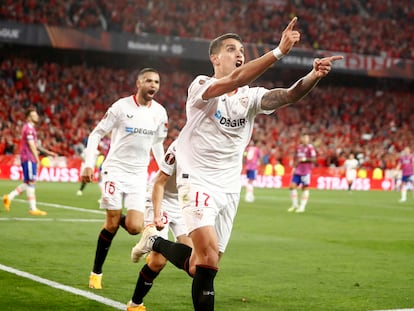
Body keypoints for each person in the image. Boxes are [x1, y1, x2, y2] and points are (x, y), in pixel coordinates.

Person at [131, 17, 343, 310]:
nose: (239, 52)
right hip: (197, 180)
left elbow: (289, 95)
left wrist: (312, 77)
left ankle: (154, 243)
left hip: (229, 187)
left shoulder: (251, 97)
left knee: (201, 265)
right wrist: (278, 52)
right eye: (231, 49)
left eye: (241, 49)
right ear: (215, 57)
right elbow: (234, 79)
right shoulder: (201, 86)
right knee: (206, 259)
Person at [81, 68, 168, 290]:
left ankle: (116, 214)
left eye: (156, 82)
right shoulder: (121, 107)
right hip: (115, 171)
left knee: (134, 227)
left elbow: (158, 144)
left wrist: (165, 170)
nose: (153, 85)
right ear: (138, 83)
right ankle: (96, 273)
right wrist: (89, 163)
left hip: (138, 175)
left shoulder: (160, 113)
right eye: (148, 81)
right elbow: (96, 134)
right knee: (111, 224)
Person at [127, 140, 193, 311]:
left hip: (183, 202)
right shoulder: (180, 147)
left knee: (193, 260)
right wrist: (157, 215)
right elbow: (159, 182)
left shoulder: (214, 150)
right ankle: (135, 305)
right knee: (158, 262)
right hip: (161, 199)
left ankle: (151, 242)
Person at [3, 107, 57, 216]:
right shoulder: (28, 129)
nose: (37, 116)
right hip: (28, 158)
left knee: (28, 182)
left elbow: (36, 145)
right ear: (29, 117)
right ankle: (33, 208)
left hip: (29, 158)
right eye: (34, 115)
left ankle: (9, 197)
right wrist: (37, 160)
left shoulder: (31, 128)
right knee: (31, 182)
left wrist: (48, 153)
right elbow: (32, 145)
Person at [287, 132, 316, 213]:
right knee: (292, 187)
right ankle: (294, 204)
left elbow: (314, 159)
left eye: (307, 138)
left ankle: (302, 207)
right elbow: (295, 158)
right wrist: (294, 167)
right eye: (305, 138)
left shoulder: (311, 148)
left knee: (305, 188)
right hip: (298, 170)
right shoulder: (298, 147)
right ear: (302, 139)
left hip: (306, 171)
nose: (306, 140)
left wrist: (305, 159)